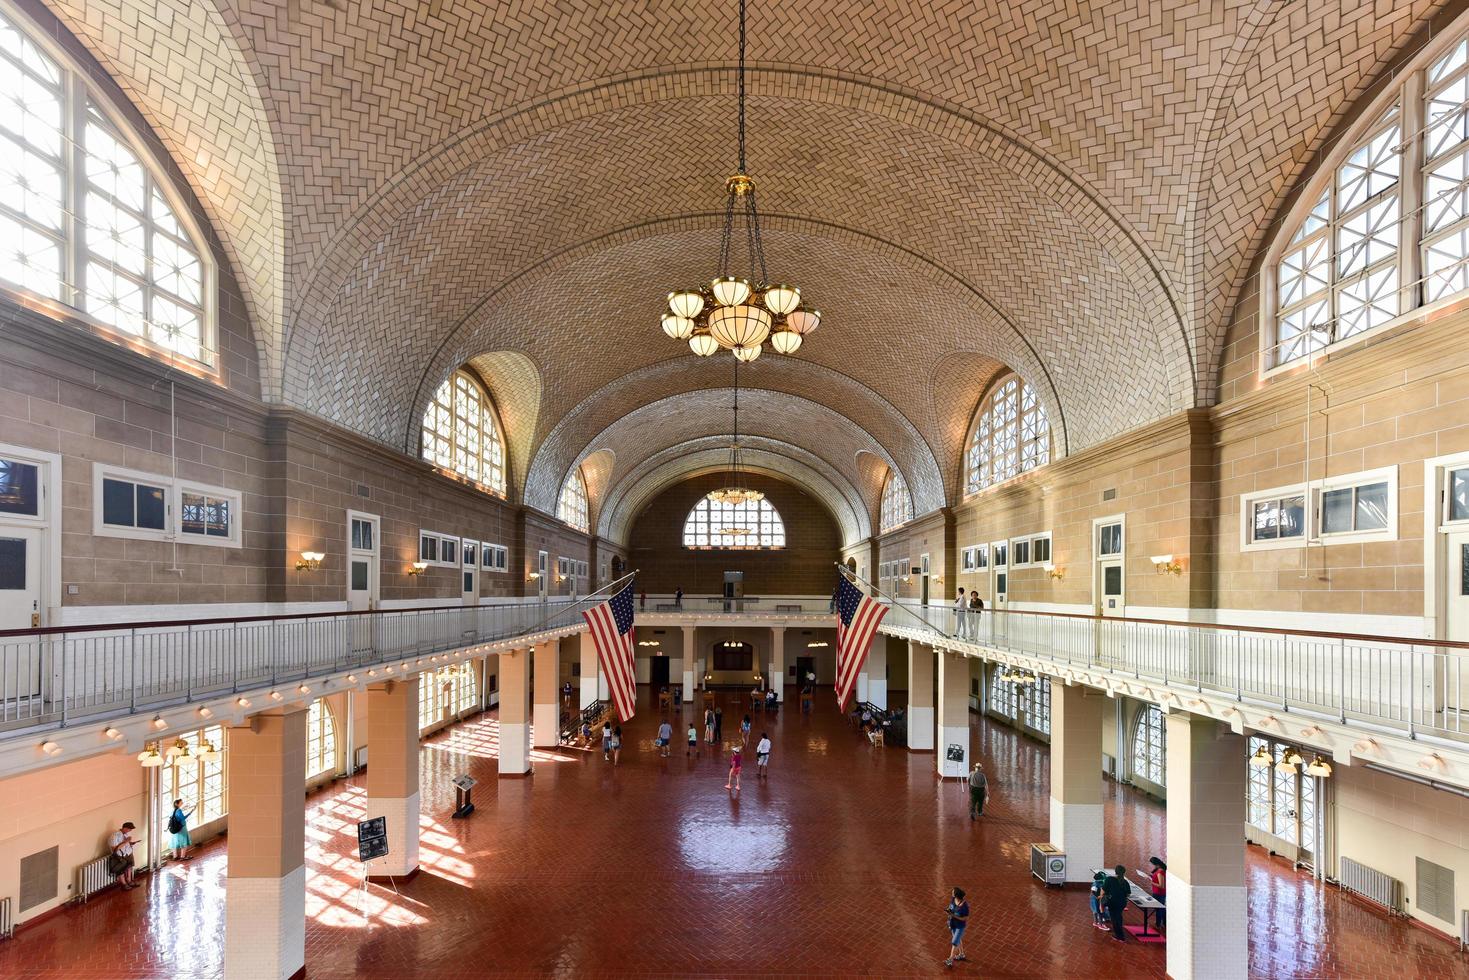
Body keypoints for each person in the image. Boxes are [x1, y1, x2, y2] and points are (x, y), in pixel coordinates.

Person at [1102, 865, 1132, 942]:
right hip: (1122, 903)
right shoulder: (1125, 882)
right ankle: (1120, 934)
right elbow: (1128, 894)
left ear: (1115, 871)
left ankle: (1119, 936)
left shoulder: (1109, 879)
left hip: (1112, 902)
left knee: (1114, 919)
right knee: (1118, 917)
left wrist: (1101, 897)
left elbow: (1103, 890)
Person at [108, 821, 138, 889]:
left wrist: (131, 843)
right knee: (120, 870)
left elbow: (125, 844)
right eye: (129, 829)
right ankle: (124, 884)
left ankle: (129, 881)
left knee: (129, 867)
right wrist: (126, 841)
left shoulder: (126, 834)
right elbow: (115, 849)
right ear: (125, 828)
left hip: (128, 853)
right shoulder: (114, 836)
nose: (130, 831)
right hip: (120, 855)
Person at [945, 886, 969, 967]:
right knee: (958, 939)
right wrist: (949, 911)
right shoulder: (953, 899)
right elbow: (951, 906)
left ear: (957, 895)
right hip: (953, 924)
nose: (951, 894)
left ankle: (950, 959)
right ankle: (961, 954)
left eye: (953, 893)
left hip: (960, 926)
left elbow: (965, 918)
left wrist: (954, 916)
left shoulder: (965, 906)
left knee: (954, 942)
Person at [1148, 856, 1167, 929]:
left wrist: (1151, 882)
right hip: (1157, 892)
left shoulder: (1160, 871)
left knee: (1159, 909)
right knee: (1161, 908)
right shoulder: (1158, 870)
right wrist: (1151, 877)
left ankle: (1158, 924)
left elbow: (1161, 885)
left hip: (1159, 893)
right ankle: (1163, 923)